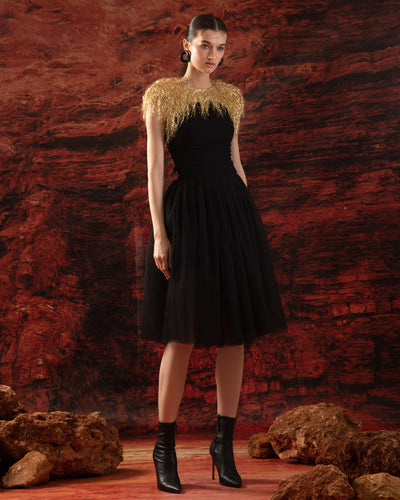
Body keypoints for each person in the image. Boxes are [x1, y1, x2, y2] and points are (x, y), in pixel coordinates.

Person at [141, 13, 287, 494]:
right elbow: (155, 170)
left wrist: (248, 223)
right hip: (188, 215)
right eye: (205, 45)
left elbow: (236, 161)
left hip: (232, 212)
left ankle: (223, 445)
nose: (213, 55)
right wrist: (160, 234)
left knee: (235, 333)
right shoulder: (162, 95)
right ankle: (164, 449)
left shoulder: (230, 97)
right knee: (180, 333)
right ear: (186, 44)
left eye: (221, 47)